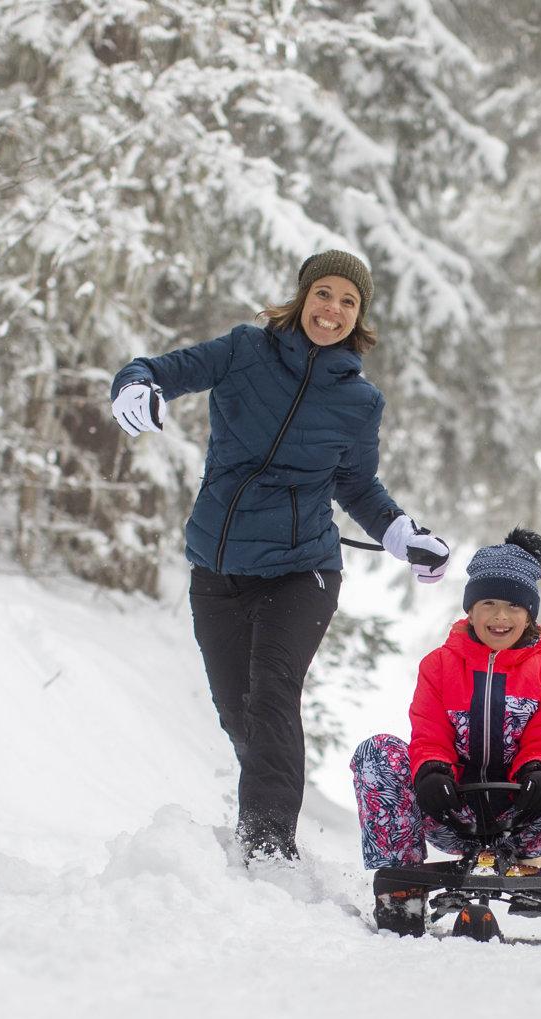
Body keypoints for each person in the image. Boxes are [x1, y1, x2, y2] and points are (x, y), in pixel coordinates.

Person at [109, 249, 452, 862]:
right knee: (237, 712)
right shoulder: (245, 351)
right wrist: (134, 385)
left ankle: (268, 851)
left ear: (359, 317)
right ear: (302, 297)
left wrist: (401, 532)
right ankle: (261, 816)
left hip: (302, 569)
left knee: (273, 695)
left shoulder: (359, 401)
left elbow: (357, 485)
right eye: (325, 293)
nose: (334, 309)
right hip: (218, 565)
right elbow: (160, 368)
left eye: (350, 302)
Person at [350, 529, 541, 875]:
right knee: (377, 751)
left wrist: (537, 769)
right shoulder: (439, 665)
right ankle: (400, 884)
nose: (500, 617)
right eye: (488, 603)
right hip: (452, 815)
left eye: (513, 605)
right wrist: (432, 769)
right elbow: (429, 732)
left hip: (526, 817)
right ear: (471, 610)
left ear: (529, 615)